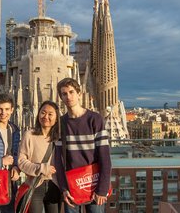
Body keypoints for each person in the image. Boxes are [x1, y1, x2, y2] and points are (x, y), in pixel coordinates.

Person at [55, 78, 111, 213]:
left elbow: (104, 157)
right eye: (64, 94)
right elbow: (59, 161)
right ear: (61, 97)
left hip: (93, 184)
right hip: (72, 187)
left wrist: (102, 190)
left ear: (79, 94)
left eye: (71, 92)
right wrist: (64, 189)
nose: (68, 96)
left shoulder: (95, 119)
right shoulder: (60, 123)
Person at [18, 101, 61, 213]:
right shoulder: (29, 135)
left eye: (50, 114)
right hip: (35, 185)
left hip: (55, 186)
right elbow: (21, 161)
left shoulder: (60, 138)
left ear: (56, 118)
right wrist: (41, 168)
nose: (46, 116)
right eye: (43, 113)